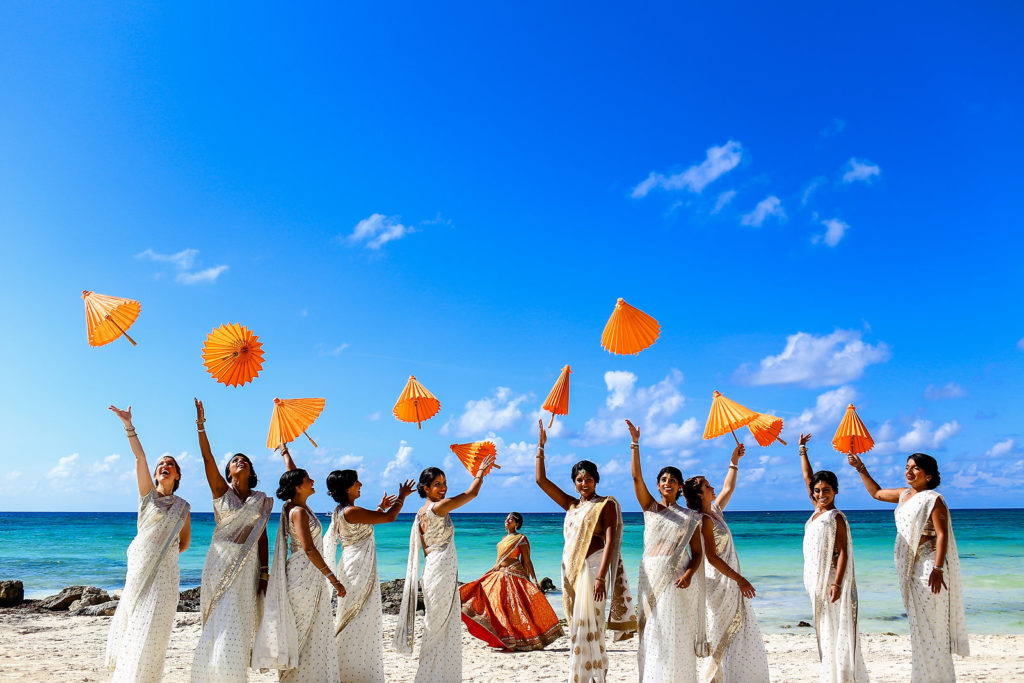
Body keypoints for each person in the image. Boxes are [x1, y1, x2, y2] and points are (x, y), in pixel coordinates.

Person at [848, 450, 968, 682]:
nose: (909, 472)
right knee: (919, 629)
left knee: (933, 628)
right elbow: (876, 493)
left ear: (929, 475)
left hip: (928, 568)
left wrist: (938, 568)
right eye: (907, 467)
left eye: (915, 468)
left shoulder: (934, 499)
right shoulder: (904, 495)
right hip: (909, 569)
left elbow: (941, 535)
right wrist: (860, 468)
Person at [534, 419, 636, 683]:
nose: (583, 484)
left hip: (594, 570)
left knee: (593, 627)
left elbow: (611, 541)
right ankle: (580, 677)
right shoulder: (571, 505)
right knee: (578, 630)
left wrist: (602, 577)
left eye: (588, 479)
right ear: (574, 482)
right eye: (579, 480)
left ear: (596, 480)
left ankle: (596, 678)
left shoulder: (606, 505)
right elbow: (541, 481)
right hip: (573, 573)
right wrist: (541, 448)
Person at [105, 405, 191, 683]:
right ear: (155, 475)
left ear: (177, 475)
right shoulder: (147, 497)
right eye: (161, 465)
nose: (164, 466)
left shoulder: (184, 507)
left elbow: (184, 543)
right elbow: (140, 456)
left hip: (166, 578)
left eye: (170, 464)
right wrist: (128, 425)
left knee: (154, 634)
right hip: (140, 573)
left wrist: (163, 557)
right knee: (135, 626)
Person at [190, 399, 273, 683]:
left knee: (239, 618)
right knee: (220, 615)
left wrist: (264, 572)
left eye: (245, 460)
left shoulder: (260, 500)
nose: (241, 461)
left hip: (248, 565)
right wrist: (201, 425)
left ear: (250, 470)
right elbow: (207, 459)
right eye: (236, 461)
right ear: (228, 472)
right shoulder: (220, 493)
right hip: (219, 561)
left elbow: (262, 536)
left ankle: (233, 675)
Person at [393, 455, 496, 682]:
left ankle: (439, 675)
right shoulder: (438, 508)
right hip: (439, 571)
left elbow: (426, 548)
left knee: (438, 623)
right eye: (437, 484)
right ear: (425, 488)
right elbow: (472, 494)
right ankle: (427, 676)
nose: (443, 488)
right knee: (436, 626)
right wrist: (480, 472)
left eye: (444, 483)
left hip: (434, 569)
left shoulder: (420, 513)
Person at [252, 444, 344, 682]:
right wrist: (332, 578)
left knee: (311, 629)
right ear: (298, 487)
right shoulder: (298, 512)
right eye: (308, 479)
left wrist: (285, 454)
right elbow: (309, 548)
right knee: (302, 629)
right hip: (303, 574)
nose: (313, 481)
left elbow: (292, 473)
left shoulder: (298, 505)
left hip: (306, 572)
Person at [682, 443, 769, 683]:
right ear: (699, 494)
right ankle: (718, 678)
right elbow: (710, 557)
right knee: (724, 630)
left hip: (729, 577)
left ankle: (731, 676)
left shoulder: (715, 511)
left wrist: (734, 460)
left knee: (738, 630)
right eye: (707, 486)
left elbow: (729, 487)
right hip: (719, 580)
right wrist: (740, 579)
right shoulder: (701, 520)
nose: (713, 488)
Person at [628, 419, 706, 683]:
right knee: (651, 630)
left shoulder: (690, 517)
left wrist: (689, 575)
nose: (667, 483)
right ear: (658, 485)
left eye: (673, 480)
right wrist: (635, 444)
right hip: (650, 575)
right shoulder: (650, 507)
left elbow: (697, 554)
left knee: (674, 633)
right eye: (663, 479)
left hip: (677, 579)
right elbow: (636, 477)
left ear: (680, 486)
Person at [324, 469, 415, 683]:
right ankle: (351, 670)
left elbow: (365, 524)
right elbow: (390, 518)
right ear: (347, 488)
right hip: (357, 566)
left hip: (354, 562)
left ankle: (352, 667)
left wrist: (380, 507)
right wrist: (402, 497)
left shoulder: (343, 510)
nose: (361, 484)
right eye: (356, 482)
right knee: (358, 615)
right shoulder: (350, 511)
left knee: (359, 615)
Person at [798, 434, 868, 682]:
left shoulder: (835, 516)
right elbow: (808, 478)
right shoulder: (817, 512)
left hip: (829, 581)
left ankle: (841, 676)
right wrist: (802, 451)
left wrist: (837, 584)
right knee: (824, 629)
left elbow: (843, 553)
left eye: (826, 490)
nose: (820, 494)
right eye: (817, 491)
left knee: (834, 628)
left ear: (835, 491)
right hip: (813, 581)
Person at [459, 511, 563, 651]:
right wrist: (490, 570)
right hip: (500, 573)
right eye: (507, 518)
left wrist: (534, 579)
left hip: (514, 574)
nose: (507, 521)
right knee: (493, 603)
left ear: (517, 524)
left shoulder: (521, 538)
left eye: (511, 519)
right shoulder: (503, 539)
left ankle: (519, 638)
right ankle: (503, 637)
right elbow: (499, 560)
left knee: (514, 609)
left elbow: (526, 560)